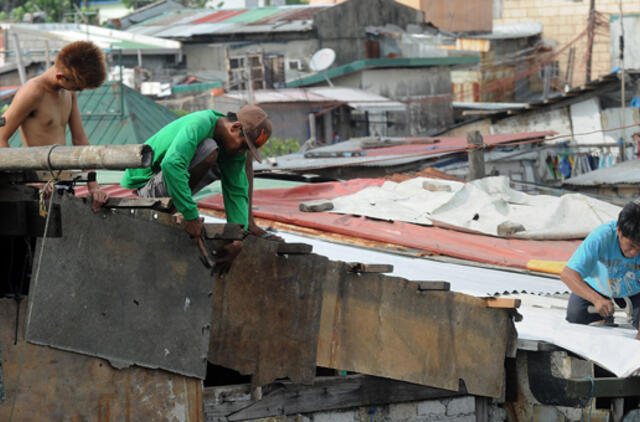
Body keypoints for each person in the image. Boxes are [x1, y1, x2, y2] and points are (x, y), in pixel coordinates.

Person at [120, 104, 281, 264]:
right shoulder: (200, 123)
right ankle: (180, 206)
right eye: (244, 145)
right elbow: (171, 165)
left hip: (166, 187)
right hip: (141, 189)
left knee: (230, 159)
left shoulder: (233, 149)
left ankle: (179, 205)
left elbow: (236, 191)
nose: (242, 151)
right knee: (209, 149)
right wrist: (191, 216)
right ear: (234, 127)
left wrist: (238, 237)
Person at [0, 41, 109, 211]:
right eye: (78, 87)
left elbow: (79, 138)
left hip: (64, 184)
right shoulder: (33, 91)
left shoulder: (69, 92)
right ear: (60, 77)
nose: (78, 90)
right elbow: (1, 136)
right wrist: (28, 181)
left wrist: (93, 185)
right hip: (38, 188)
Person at [562, 200, 640, 338]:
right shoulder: (602, 236)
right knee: (576, 316)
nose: (635, 253)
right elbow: (568, 274)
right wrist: (596, 299)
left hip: (635, 289)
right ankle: (604, 316)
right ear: (619, 231)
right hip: (599, 285)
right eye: (631, 246)